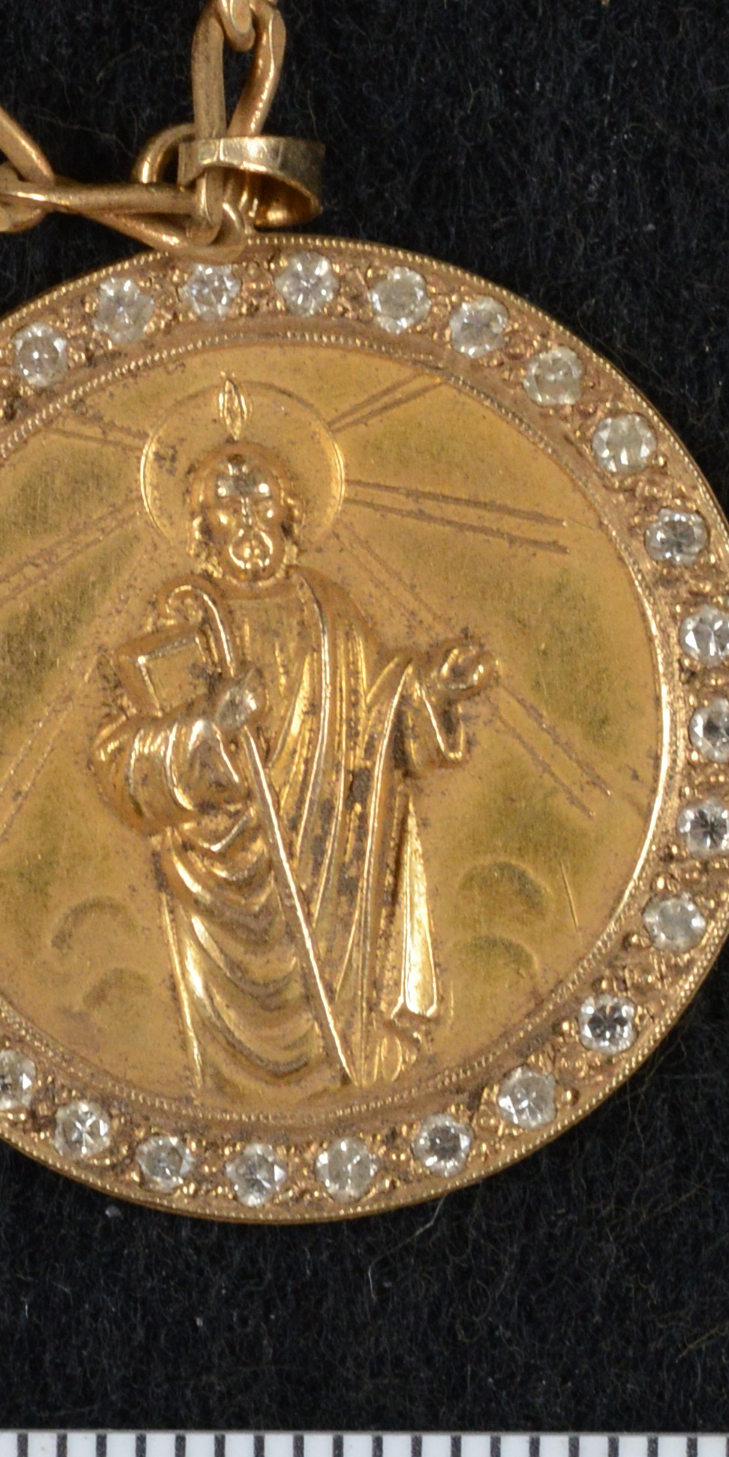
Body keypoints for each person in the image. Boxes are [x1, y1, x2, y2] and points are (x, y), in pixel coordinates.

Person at [93, 433, 495, 1097]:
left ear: (290, 514)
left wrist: (433, 688)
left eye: (262, 503)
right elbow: (122, 765)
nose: (249, 522)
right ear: (203, 529)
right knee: (227, 1069)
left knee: (341, 1027)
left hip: (332, 869)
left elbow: (377, 715)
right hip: (221, 885)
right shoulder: (187, 613)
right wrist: (209, 729)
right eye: (228, 509)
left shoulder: (330, 610)